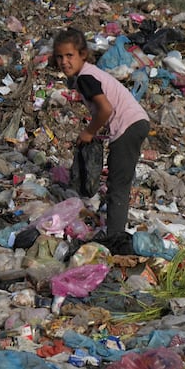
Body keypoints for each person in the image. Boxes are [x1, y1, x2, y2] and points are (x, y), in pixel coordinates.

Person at [53, 27, 150, 253]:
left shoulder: (86, 77)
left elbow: (105, 109)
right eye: (59, 57)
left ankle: (115, 241)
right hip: (135, 123)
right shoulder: (89, 74)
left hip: (128, 125)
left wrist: (89, 132)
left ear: (82, 55)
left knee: (118, 186)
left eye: (70, 56)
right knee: (120, 181)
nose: (64, 62)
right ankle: (116, 233)